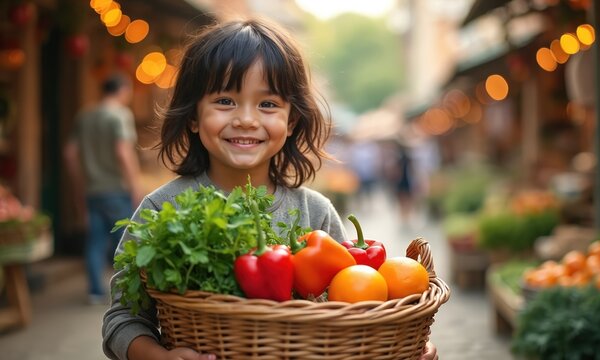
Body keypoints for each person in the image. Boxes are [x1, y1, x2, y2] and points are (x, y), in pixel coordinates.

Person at [101, 17, 438, 360]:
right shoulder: (162, 210)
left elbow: (355, 310)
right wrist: (159, 357)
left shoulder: (316, 212)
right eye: (225, 101)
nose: (247, 119)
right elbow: (123, 318)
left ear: (291, 121)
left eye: (267, 104)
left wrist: (403, 349)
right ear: (192, 116)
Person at [64, 74, 143, 305]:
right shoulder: (120, 114)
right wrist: (135, 184)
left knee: (95, 242)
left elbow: (69, 154)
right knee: (127, 242)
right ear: (123, 90)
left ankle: (95, 292)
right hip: (116, 188)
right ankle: (128, 293)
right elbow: (123, 151)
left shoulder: (85, 116)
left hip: (91, 189)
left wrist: (80, 183)